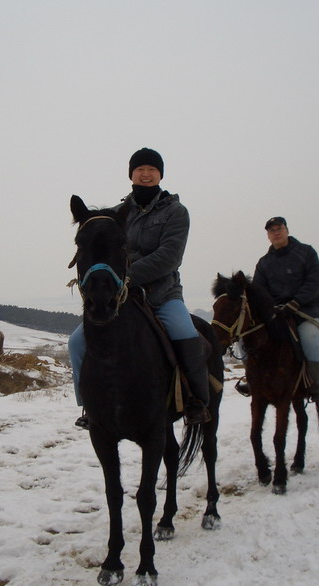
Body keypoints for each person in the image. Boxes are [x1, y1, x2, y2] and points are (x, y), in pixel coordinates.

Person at [68, 147, 212, 428]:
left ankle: (196, 400)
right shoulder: (119, 212)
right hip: (123, 296)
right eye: (140, 169)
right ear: (131, 174)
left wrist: (128, 275)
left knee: (184, 331)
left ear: (160, 175)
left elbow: (170, 256)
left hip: (163, 294)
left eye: (152, 170)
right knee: (76, 342)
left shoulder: (176, 211)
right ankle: (88, 405)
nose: (146, 174)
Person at [237, 216, 319, 402]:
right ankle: (253, 380)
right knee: (245, 342)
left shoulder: (306, 252)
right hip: (276, 314)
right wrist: (270, 309)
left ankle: (316, 385)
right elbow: (260, 291)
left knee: (311, 338)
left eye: (279, 228)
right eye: (272, 230)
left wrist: (295, 303)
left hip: (305, 311)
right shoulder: (264, 262)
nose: (276, 232)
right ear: (268, 236)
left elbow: (314, 282)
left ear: (287, 230)